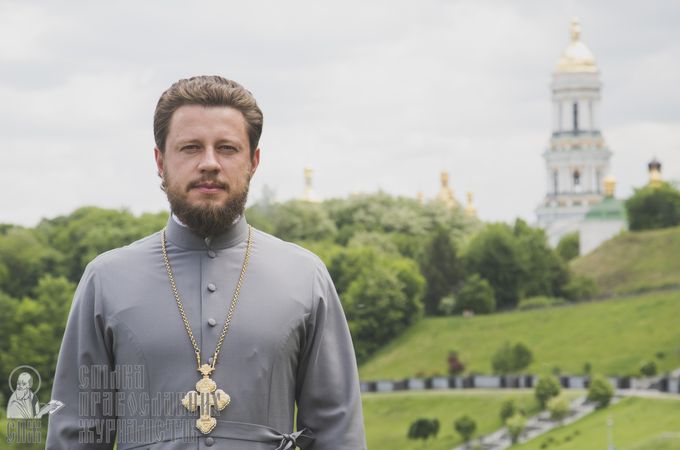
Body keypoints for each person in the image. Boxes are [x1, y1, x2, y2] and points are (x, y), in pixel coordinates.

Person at [46, 76, 366, 449]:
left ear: (253, 162)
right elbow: (78, 436)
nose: (209, 163)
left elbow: (337, 432)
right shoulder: (106, 279)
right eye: (191, 148)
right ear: (160, 160)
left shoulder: (305, 277)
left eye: (227, 148)